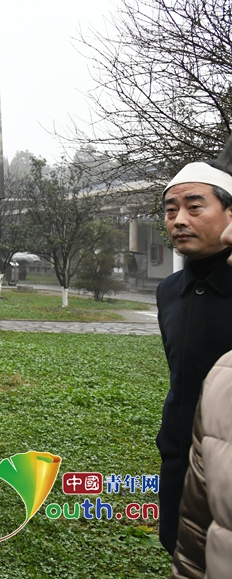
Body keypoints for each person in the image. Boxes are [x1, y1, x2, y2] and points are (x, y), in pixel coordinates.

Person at [156, 149, 232, 554]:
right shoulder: (168, 291)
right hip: (180, 462)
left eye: (194, 206)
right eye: (171, 210)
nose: (179, 220)